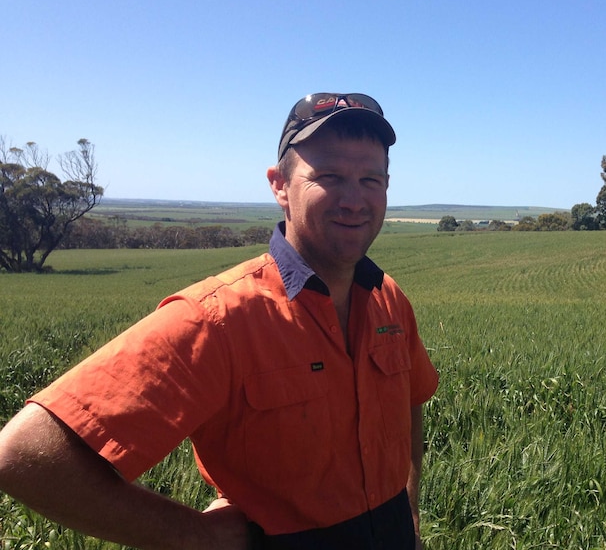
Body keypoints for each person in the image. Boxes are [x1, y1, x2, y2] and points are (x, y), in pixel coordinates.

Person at [0, 92, 439, 549]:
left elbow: (410, 402)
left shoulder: (389, 300)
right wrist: (194, 535)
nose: (354, 199)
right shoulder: (219, 318)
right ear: (279, 186)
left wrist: (408, 503)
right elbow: (25, 453)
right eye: (329, 176)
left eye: (371, 179)